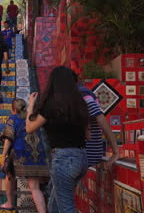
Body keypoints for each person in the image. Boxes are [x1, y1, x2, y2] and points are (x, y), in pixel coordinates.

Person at [26, 66, 90, 213]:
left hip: (63, 160)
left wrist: (30, 107)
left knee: (66, 208)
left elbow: (29, 128)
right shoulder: (80, 104)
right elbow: (88, 135)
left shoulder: (51, 106)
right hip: (81, 158)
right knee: (53, 206)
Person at [0, 98, 48, 212]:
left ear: (13, 109)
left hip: (19, 153)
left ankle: (9, 203)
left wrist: (3, 155)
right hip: (35, 153)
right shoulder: (32, 118)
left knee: (9, 175)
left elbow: (8, 138)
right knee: (35, 188)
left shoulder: (13, 118)